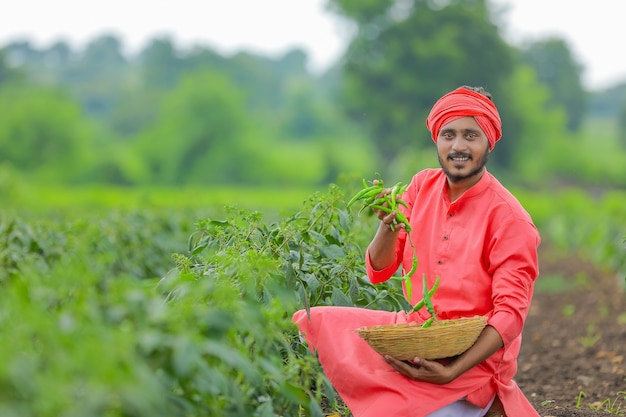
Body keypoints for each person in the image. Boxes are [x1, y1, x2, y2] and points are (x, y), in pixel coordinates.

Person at [292, 86, 541, 417]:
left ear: (488, 142)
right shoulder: (421, 186)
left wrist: (452, 370)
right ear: (437, 139)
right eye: (448, 134)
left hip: (469, 358)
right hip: (416, 335)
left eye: (471, 135)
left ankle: (485, 404)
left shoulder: (509, 219)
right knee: (313, 320)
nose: (458, 146)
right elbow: (378, 270)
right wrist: (387, 226)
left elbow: (510, 316)